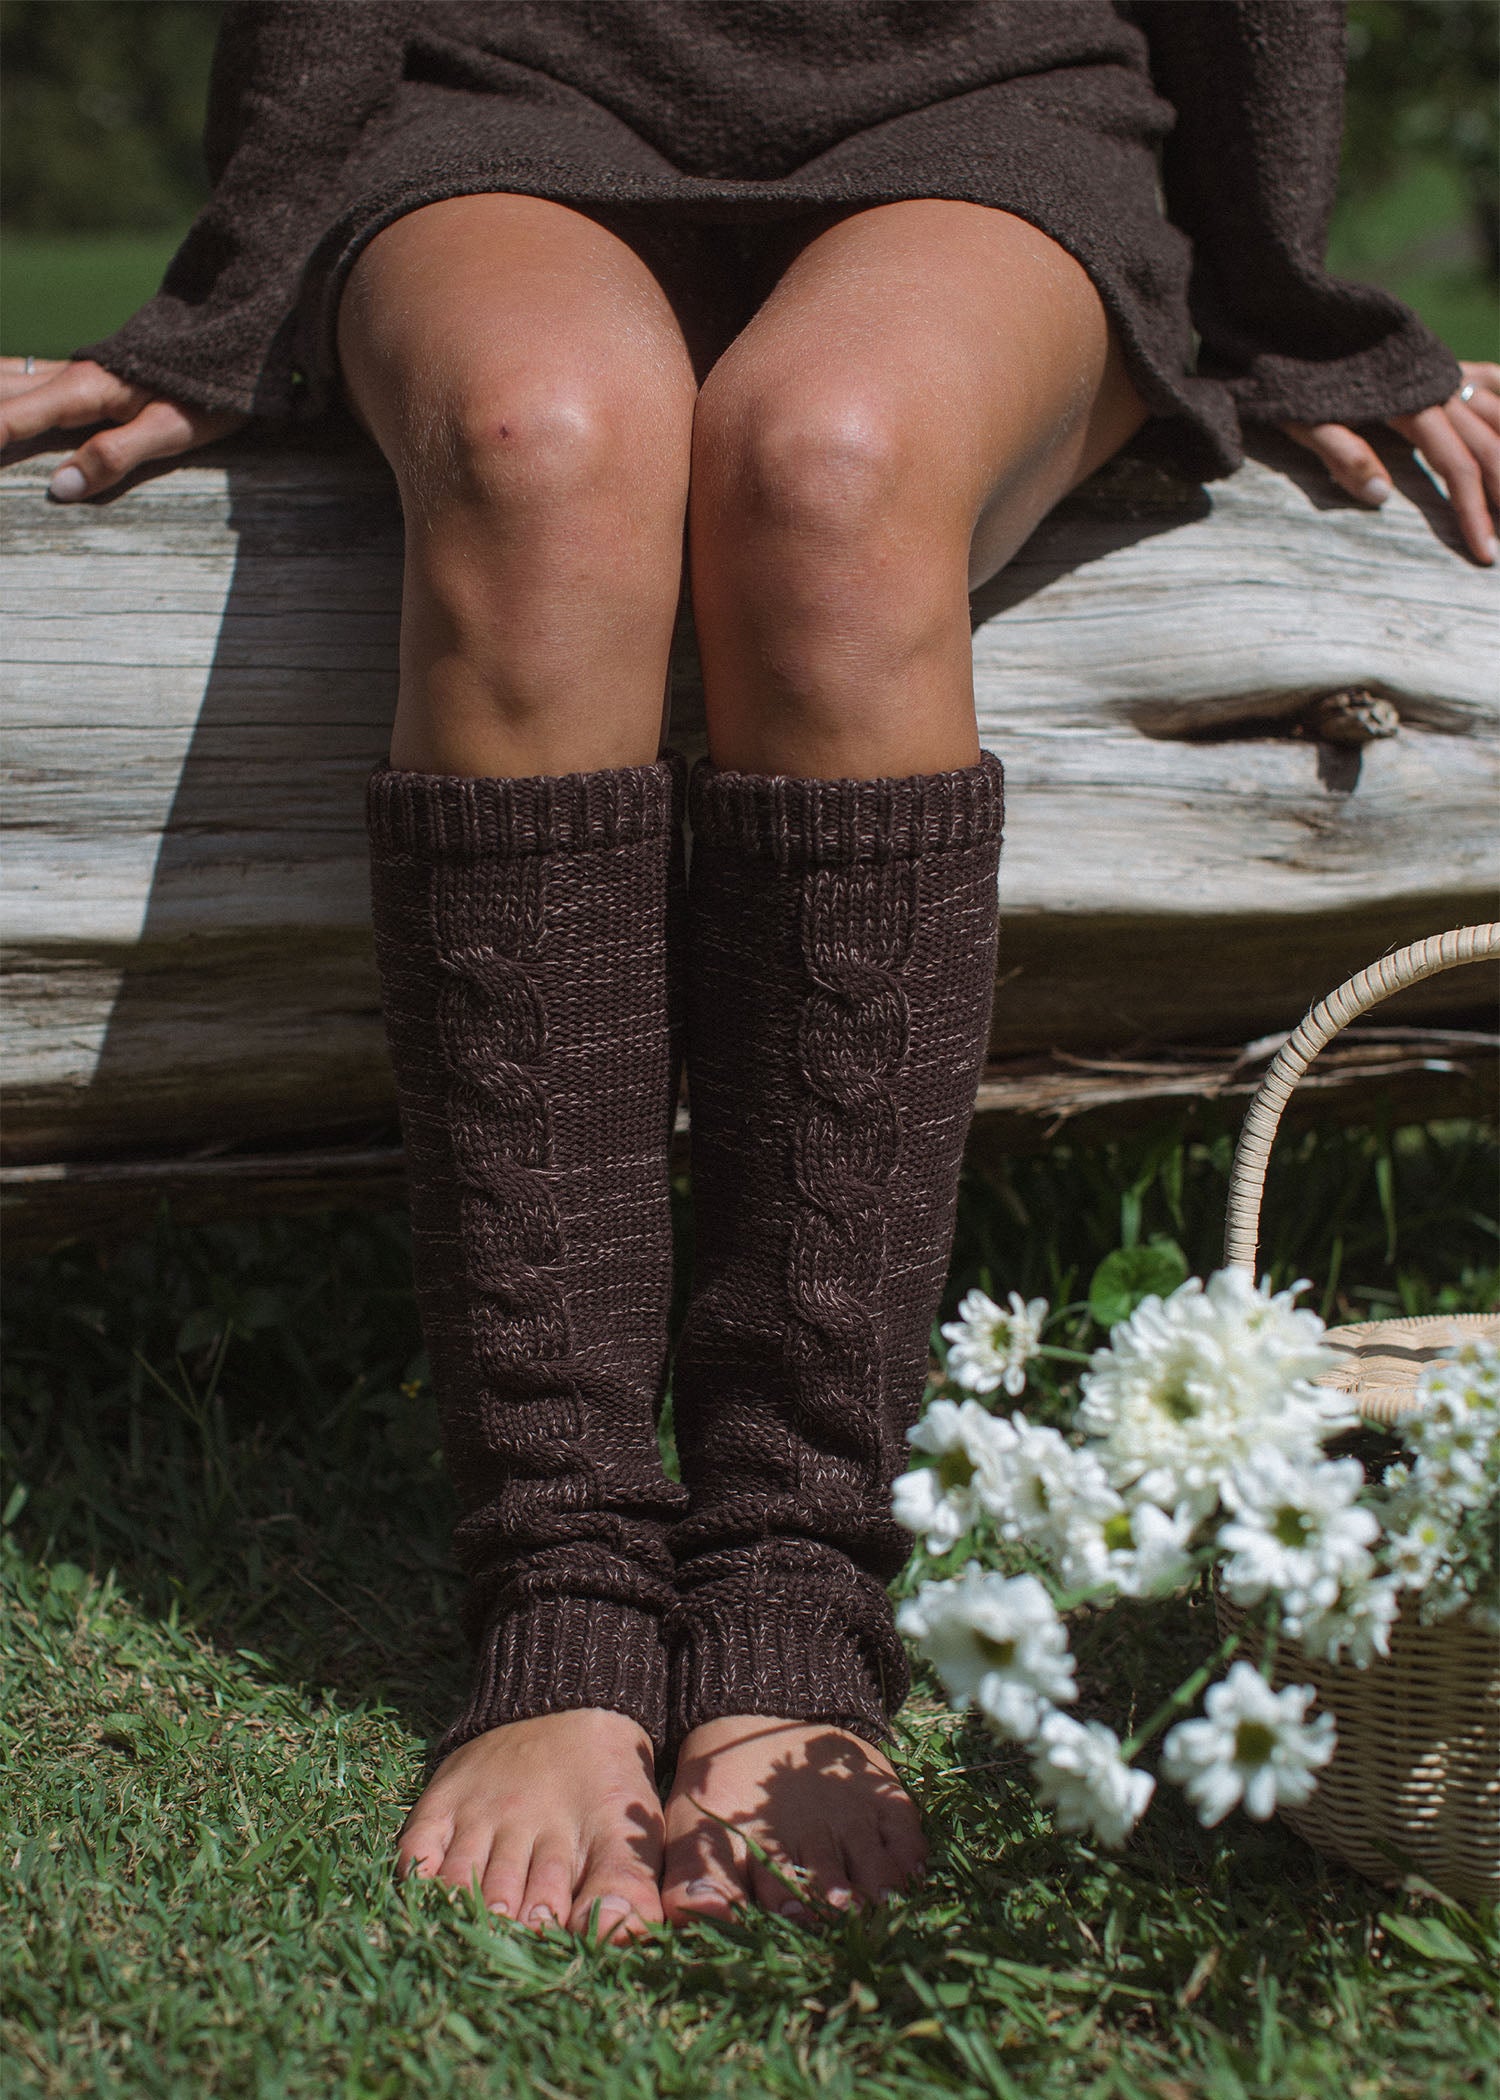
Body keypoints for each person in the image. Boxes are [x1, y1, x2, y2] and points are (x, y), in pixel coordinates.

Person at [2, 2, 1495, 1948]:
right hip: (501, 82)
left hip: (1001, 94)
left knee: (830, 465)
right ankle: (561, 1577)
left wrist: (1287, 297)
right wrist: (236, 289)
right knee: (536, 445)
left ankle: (793, 1577)